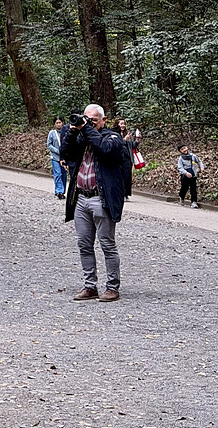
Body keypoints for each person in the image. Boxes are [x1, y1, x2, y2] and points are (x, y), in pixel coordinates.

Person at [59, 103, 130, 302]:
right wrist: (73, 131)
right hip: (81, 198)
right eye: (86, 119)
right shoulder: (82, 138)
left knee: (107, 244)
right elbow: (65, 153)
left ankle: (112, 287)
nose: (89, 123)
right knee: (84, 244)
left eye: (93, 120)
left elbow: (105, 150)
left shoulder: (113, 137)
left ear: (103, 120)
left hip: (102, 199)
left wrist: (86, 129)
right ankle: (90, 286)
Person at [47, 116, 66, 199]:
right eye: (57, 123)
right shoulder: (52, 133)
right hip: (55, 157)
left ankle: (63, 191)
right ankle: (59, 191)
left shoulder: (65, 132)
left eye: (59, 122)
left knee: (64, 174)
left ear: (62, 123)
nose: (58, 124)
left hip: (64, 158)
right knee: (58, 174)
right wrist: (57, 150)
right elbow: (49, 145)